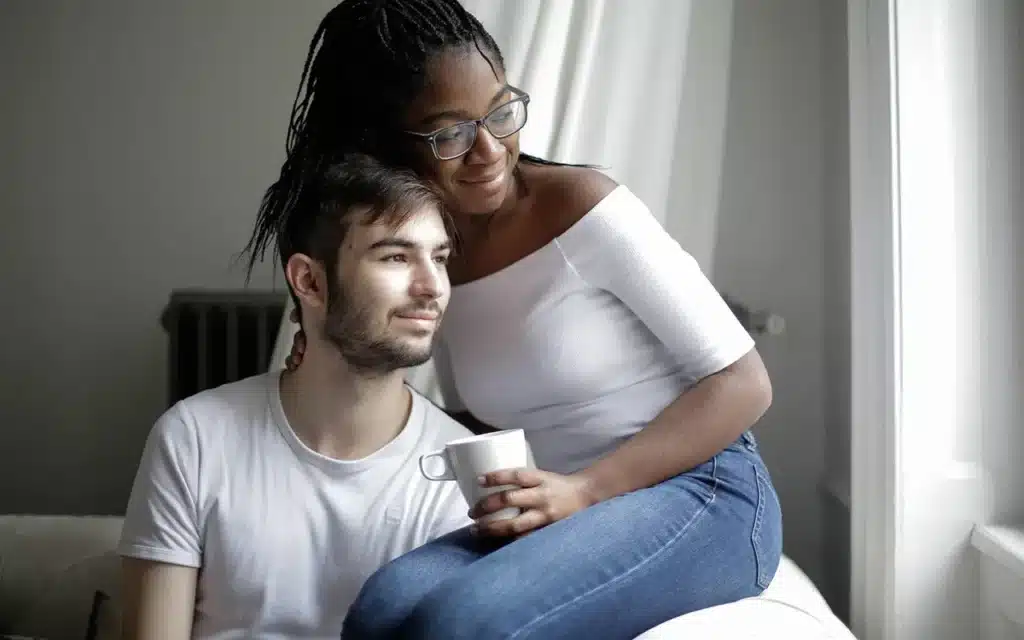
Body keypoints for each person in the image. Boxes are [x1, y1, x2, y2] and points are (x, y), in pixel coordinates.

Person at [252, 1, 785, 638]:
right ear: (387, 144)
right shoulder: (429, 251)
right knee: (381, 611)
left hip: (706, 490)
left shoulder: (581, 207)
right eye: (449, 132)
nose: (489, 150)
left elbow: (746, 383)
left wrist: (585, 490)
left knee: (461, 623)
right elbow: (476, 413)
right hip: (563, 501)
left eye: (501, 112)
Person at [118, 154, 476, 639]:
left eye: (439, 258)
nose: (433, 286)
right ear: (309, 281)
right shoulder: (194, 439)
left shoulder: (461, 473)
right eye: (395, 256)